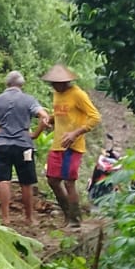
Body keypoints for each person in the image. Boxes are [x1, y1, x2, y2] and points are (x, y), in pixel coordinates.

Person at [0, 71, 51, 226]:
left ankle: (5, 218)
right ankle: (29, 218)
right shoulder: (28, 100)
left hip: (2, 144)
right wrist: (35, 134)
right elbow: (44, 116)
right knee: (26, 182)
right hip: (24, 145)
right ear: (22, 84)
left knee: (3, 180)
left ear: (6, 84)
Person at [42, 64, 101, 228]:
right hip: (57, 144)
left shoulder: (78, 94)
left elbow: (95, 117)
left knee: (69, 181)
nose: (54, 86)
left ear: (65, 82)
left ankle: (75, 220)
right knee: (52, 180)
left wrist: (75, 133)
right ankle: (67, 214)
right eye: (52, 83)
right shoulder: (56, 94)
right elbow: (61, 113)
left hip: (72, 146)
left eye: (56, 83)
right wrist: (51, 119)